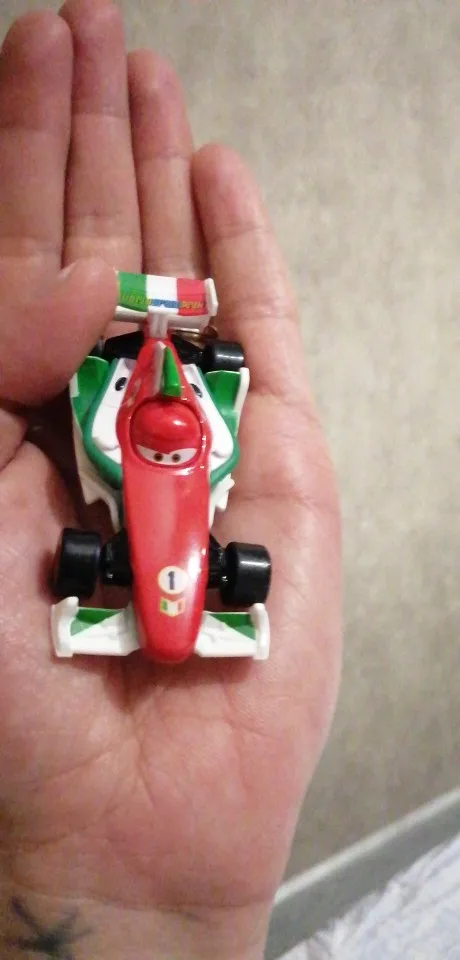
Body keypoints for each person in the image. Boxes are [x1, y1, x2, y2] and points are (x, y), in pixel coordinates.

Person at [0, 1, 342, 957]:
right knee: (99, 416)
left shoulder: (212, 425)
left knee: (214, 435)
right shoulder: (109, 407)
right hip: (134, 431)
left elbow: (215, 415)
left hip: (189, 444)